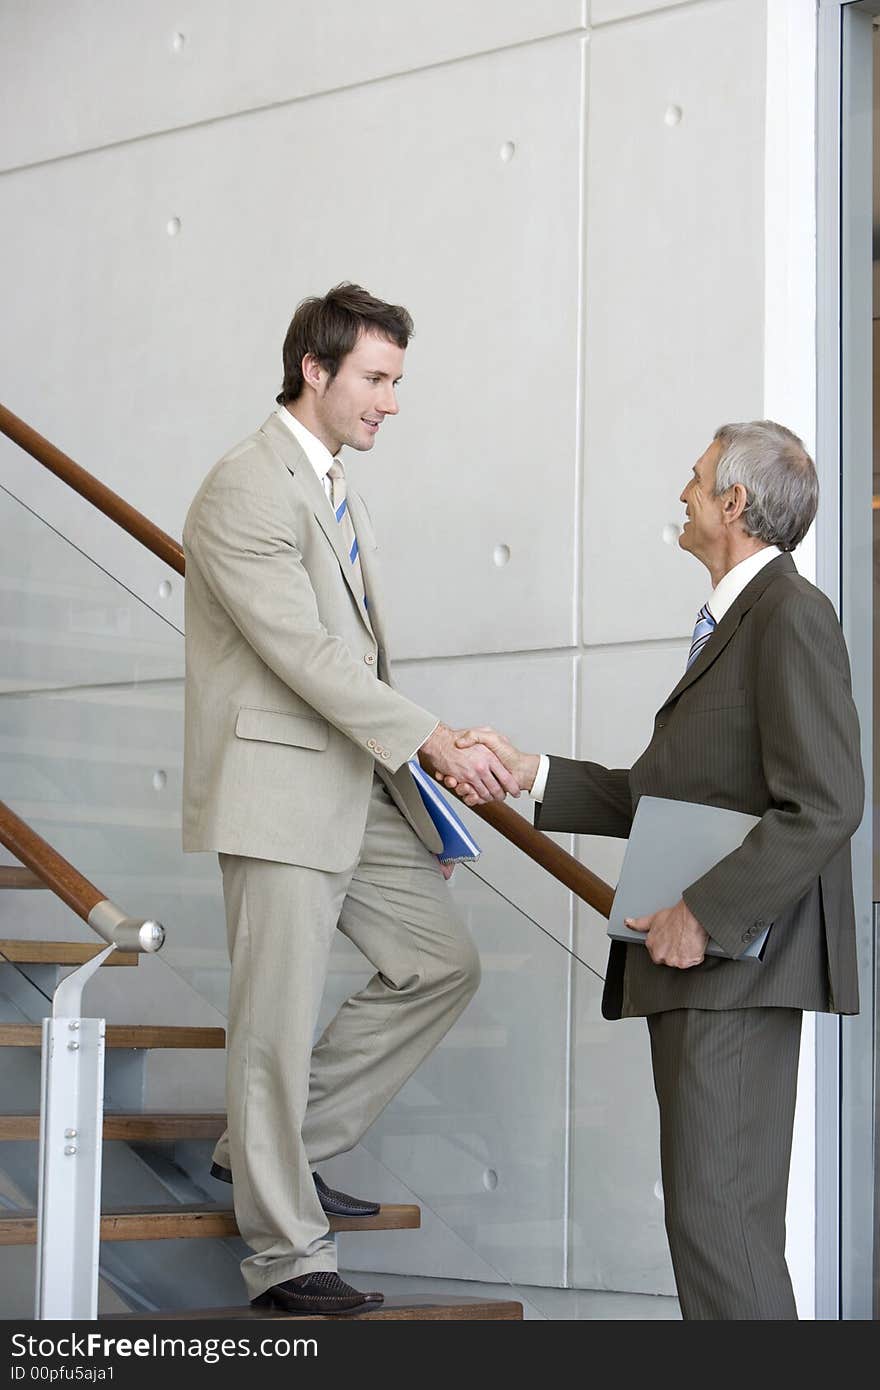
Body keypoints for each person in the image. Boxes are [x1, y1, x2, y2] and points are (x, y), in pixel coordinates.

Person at [448, 421, 864, 1320]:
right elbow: (657, 793)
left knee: (722, 1232)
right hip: (703, 974)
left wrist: (704, 915)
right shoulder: (731, 622)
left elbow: (828, 803)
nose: (681, 492)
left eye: (696, 476)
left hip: (734, 967)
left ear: (733, 504)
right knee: (710, 1229)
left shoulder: (790, 614)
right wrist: (529, 774)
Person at [181, 283, 519, 1315]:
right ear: (314, 372)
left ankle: (275, 1146)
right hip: (280, 790)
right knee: (273, 1023)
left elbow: (350, 659)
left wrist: (424, 792)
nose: (391, 401)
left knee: (440, 962)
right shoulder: (246, 487)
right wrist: (429, 739)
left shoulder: (330, 485)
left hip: (352, 787)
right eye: (376, 379)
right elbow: (308, 654)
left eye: (395, 381)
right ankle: (288, 1258)